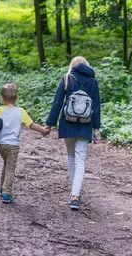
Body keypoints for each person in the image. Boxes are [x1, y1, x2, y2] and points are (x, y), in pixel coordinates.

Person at [45, 56, 101, 211]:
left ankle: (73, 192)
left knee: (71, 156)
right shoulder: (93, 82)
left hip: (67, 123)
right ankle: (75, 194)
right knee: (80, 160)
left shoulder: (67, 79)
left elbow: (57, 103)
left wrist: (49, 124)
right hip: (85, 125)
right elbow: (96, 107)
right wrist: (96, 130)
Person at [0, 83, 50, 204]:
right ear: (17, 98)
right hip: (13, 145)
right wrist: (44, 131)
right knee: (10, 168)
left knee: (6, 164)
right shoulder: (21, 112)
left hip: (1, 144)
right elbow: (31, 125)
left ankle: (1, 188)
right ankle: (6, 194)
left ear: (1, 98)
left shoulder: (0, 110)